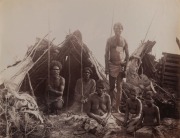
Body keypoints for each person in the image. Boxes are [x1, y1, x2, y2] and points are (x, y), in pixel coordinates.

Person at [105, 22, 129, 112]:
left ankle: (117, 107)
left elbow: (127, 55)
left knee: (119, 87)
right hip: (111, 65)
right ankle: (110, 107)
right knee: (111, 87)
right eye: (116, 28)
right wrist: (106, 67)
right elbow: (106, 54)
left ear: (122, 30)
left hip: (120, 66)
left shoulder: (124, 41)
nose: (117, 30)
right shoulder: (109, 40)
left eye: (119, 28)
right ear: (113, 29)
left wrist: (125, 68)